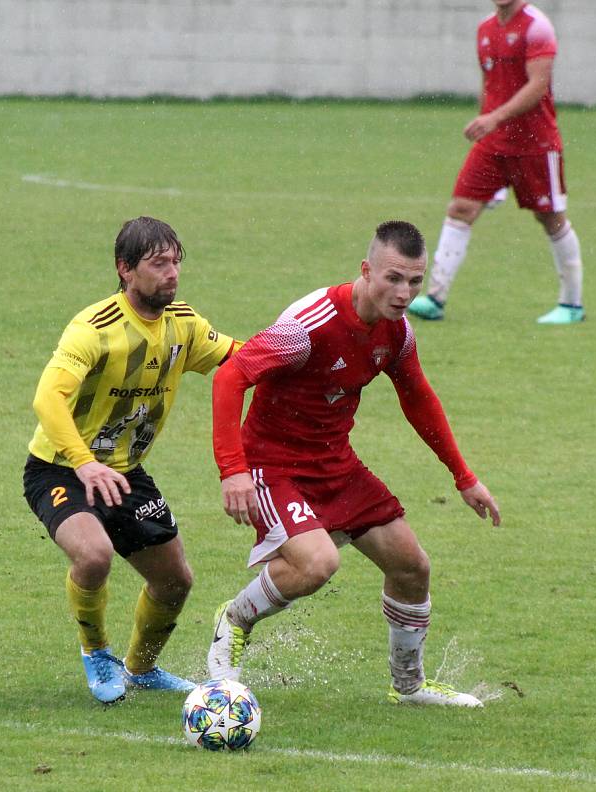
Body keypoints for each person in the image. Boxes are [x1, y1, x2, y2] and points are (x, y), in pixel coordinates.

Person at [207, 220, 500, 708]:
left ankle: (409, 688)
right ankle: (233, 620)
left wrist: (464, 477)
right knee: (319, 563)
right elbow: (230, 378)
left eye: (415, 281)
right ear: (366, 271)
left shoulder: (397, 332)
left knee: (412, 567)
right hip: (272, 464)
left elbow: (419, 398)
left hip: (335, 464)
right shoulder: (308, 327)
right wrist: (232, 469)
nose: (404, 292)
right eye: (393, 278)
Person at [23, 216, 240, 704]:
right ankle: (97, 653)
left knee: (175, 581)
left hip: (124, 474)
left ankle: (141, 669)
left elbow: (239, 361)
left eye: (176, 262)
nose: (172, 273)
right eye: (158, 263)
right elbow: (47, 400)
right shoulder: (94, 328)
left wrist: (297, 351)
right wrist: (83, 463)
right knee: (94, 554)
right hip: (60, 468)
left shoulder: (183, 324)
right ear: (125, 269)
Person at [408, 0, 585, 324]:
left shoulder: (537, 26)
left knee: (551, 218)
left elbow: (538, 84)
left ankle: (572, 305)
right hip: (493, 143)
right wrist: (485, 120)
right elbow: (490, 85)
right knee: (460, 208)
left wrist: (495, 117)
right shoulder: (485, 29)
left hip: (535, 143)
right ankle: (435, 298)